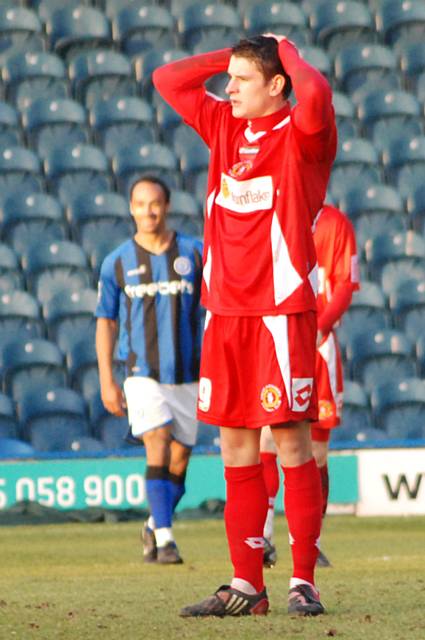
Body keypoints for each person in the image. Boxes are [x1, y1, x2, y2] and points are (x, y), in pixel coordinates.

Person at [153, 34, 336, 616]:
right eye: (227, 78)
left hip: (281, 314)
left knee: (289, 441)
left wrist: (288, 53)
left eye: (241, 79)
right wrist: (233, 60)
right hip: (225, 315)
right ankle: (246, 585)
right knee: (234, 447)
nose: (226, 88)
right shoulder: (225, 125)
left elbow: (318, 91)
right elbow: (167, 79)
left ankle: (301, 582)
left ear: (277, 85)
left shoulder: (304, 136)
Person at [95, 175, 204, 565]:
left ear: (167, 205)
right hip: (141, 372)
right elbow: (105, 321)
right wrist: (108, 379)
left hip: (190, 374)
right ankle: (166, 541)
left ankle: (154, 523)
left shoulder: (194, 253)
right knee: (156, 439)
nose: (148, 211)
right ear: (130, 208)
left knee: (179, 461)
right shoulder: (117, 262)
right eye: (140, 204)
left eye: (155, 203)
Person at [260, 203, 360, 569]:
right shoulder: (271, 213)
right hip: (277, 340)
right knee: (267, 438)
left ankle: (309, 541)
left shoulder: (335, 223)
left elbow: (345, 285)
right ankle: (264, 536)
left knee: (315, 451)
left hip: (316, 346)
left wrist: (319, 329)